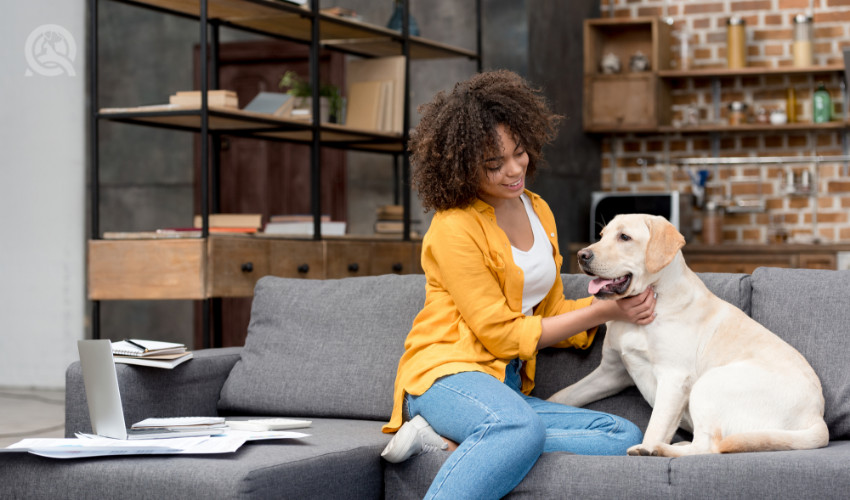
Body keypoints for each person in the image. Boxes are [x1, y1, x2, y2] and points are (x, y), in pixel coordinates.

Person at [380, 70, 656, 499]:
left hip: (504, 391)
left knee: (620, 435)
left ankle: (470, 443)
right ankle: (484, 436)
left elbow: (548, 311)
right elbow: (502, 334)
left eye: (519, 153)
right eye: (494, 164)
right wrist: (604, 312)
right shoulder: (453, 228)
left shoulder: (537, 209)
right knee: (517, 426)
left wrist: (612, 298)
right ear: (461, 164)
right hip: (446, 376)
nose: (513, 171)